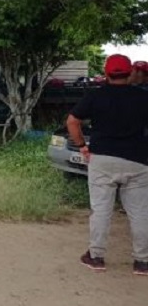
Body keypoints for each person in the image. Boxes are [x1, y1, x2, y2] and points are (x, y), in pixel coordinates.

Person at [67, 53, 148, 275]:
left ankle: (96, 257)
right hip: (138, 162)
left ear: (106, 73)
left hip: (102, 160)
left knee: (101, 210)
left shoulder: (96, 96)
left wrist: (82, 146)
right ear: (130, 72)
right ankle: (142, 262)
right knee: (140, 213)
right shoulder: (143, 97)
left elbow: (72, 121)